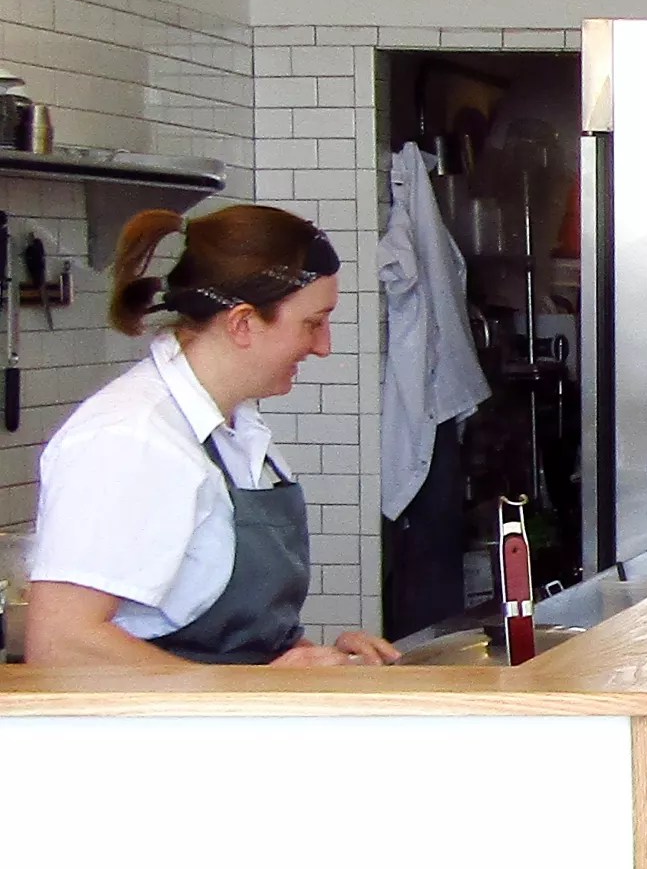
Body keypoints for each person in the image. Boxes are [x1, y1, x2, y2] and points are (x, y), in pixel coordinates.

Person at [28, 206, 400, 669]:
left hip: (226, 714)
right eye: (312, 323)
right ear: (242, 323)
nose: (323, 346)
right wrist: (258, 690)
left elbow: (229, 641)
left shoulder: (236, 431)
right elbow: (62, 643)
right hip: (160, 721)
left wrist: (309, 660)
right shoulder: (131, 439)